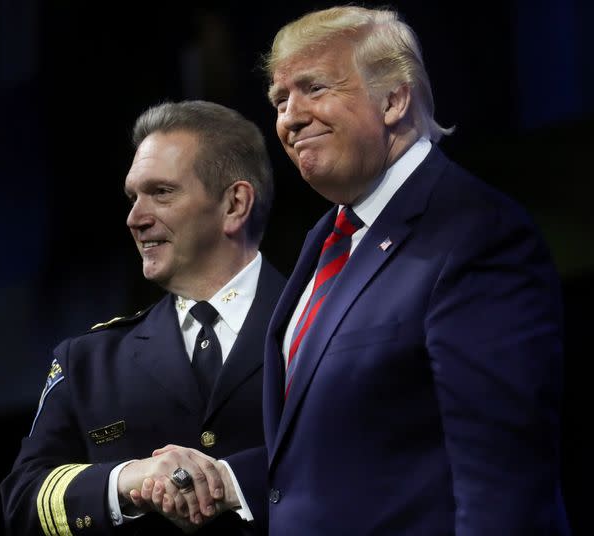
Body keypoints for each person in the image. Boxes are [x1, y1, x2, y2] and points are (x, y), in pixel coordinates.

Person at [135, 5, 571, 534]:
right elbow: (351, 451)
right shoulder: (329, 238)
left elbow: (505, 479)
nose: (289, 117)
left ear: (393, 99)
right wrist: (224, 477)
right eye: (279, 99)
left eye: (314, 89)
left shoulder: (473, 232)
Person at [0, 99, 286, 535]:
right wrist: (125, 479)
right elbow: (23, 503)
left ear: (235, 204)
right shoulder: (88, 361)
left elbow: (368, 455)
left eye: (161, 192)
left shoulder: (321, 322)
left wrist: (233, 482)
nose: (135, 218)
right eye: (134, 197)